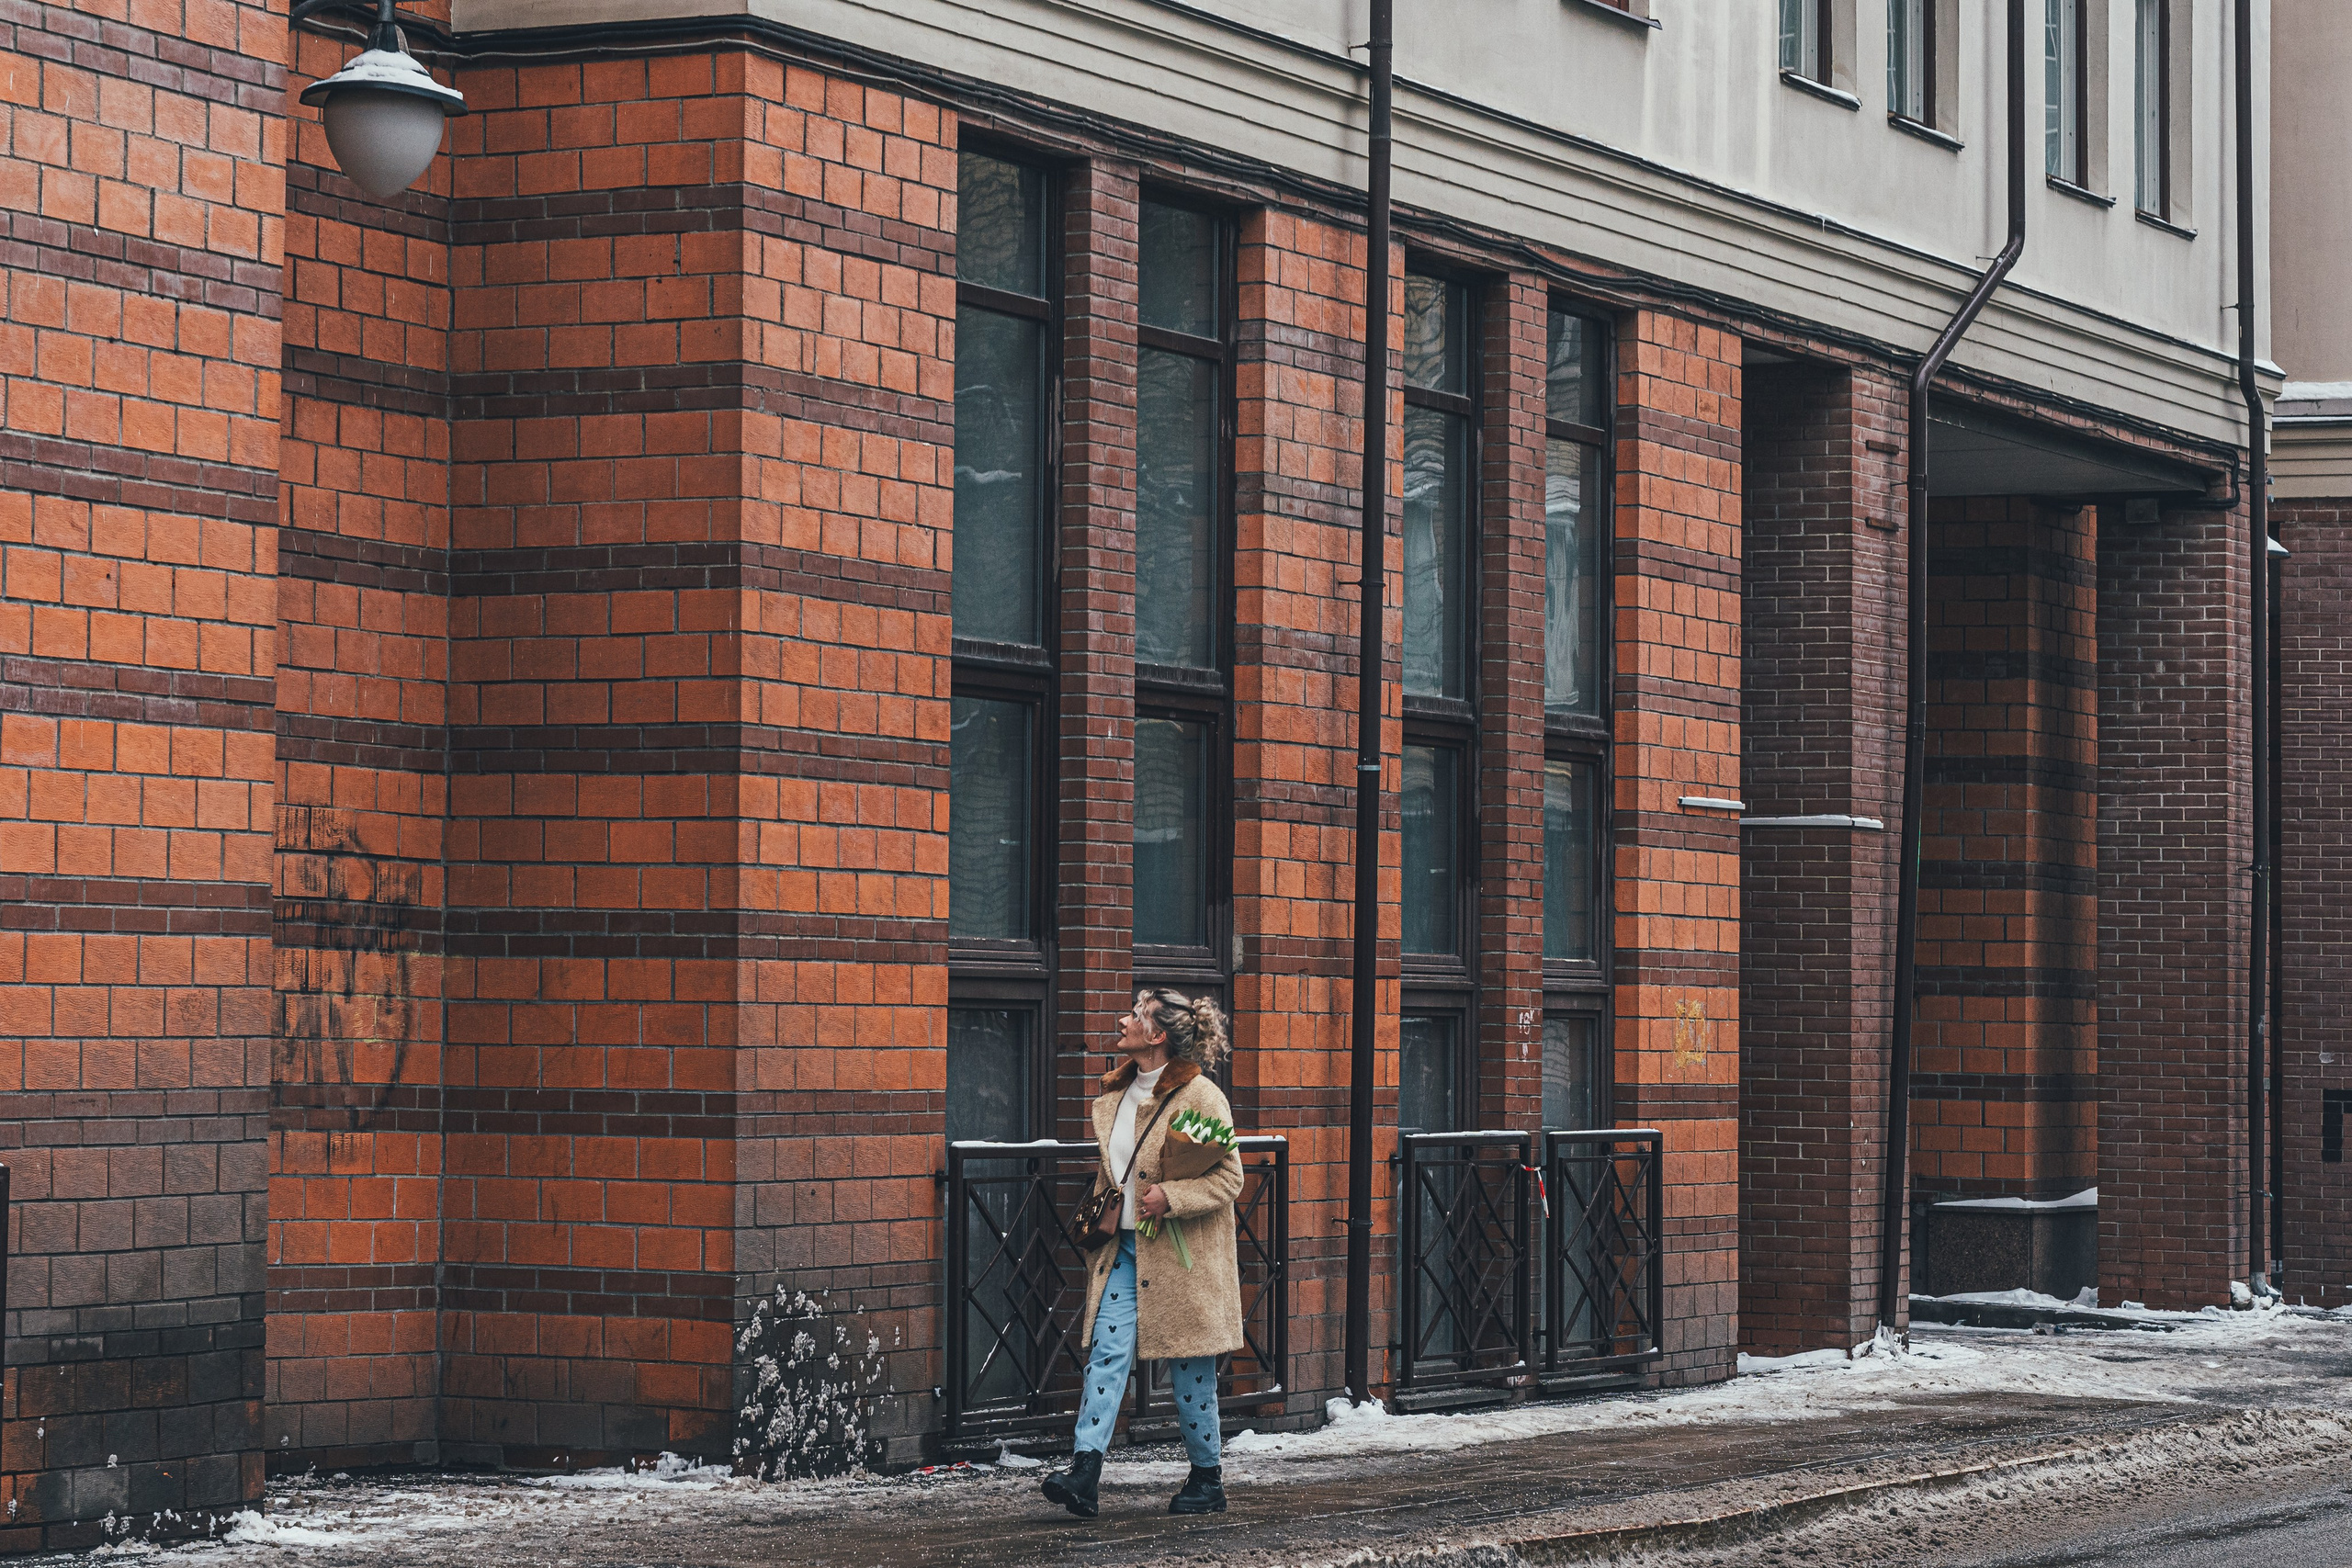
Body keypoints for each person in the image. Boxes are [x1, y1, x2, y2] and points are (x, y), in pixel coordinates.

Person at [1040, 987, 1245, 1518]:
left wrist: (1170, 1197)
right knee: (1106, 1356)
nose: (1124, 1020)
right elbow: (1116, 1172)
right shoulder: (1118, 1092)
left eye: (1136, 1014)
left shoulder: (1201, 1097)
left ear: (1157, 1035)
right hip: (1125, 1251)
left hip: (1181, 1260)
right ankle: (1085, 1472)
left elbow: (1231, 1179)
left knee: (1190, 1369)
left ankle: (1207, 1479)